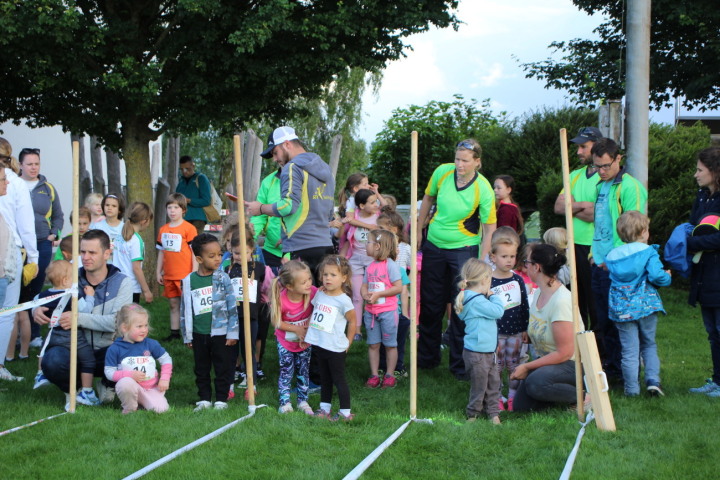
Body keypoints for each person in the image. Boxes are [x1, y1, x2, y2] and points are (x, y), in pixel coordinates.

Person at [417, 139, 497, 379]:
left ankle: (460, 366)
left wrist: (483, 259)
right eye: (457, 159)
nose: (459, 164)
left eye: (464, 160)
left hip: (464, 250)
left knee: (462, 305)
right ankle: (427, 359)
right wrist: (419, 230)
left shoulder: (483, 188)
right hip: (434, 246)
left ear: (477, 162)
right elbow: (428, 199)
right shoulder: (442, 172)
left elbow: (490, 226)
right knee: (431, 305)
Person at [34, 229, 133, 405]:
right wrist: (36, 309)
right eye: (83, 252)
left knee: (132, 356)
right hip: (72, 348)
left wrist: (78, 318)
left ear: (107, 254)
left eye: (92, 252)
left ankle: (107, 383)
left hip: (107, 351)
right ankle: (77, 389)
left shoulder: (122, 282)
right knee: (52, 361)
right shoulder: (69, 278)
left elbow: (119, 323)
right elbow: (47, 295)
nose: (86, 257)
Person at [589, 138, 648, 380]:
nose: (601, 171)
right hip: (600, 263)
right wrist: (594, 254)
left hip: (618, 266)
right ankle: (612, 369)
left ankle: (627, 372)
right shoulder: (600, 186)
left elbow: (633, 229)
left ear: (618, 160)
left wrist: (613, 259)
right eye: (597, 166)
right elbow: (600, 223)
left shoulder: (629, 187)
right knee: (602, 321)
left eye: (606, 166)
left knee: (619, 322)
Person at [245, 126, 335, 281]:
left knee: (298, 301)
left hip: (301, 248)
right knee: (320, 301)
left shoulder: (292, 167)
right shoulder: (326, 169)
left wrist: (259, 208)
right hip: (325, 245)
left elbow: (288, 206)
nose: (275, 159)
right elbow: (329, 214)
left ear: (287, 144)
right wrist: (287, 235)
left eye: (275, 152)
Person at [605, 211, 671, 397]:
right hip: (645, 306)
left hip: (622, 309)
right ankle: (652, 381)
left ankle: (631, 390)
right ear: (643, 232)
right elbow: (657, 276)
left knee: (629, 350)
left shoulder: (613, 256)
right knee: (648, 344)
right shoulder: (648, 252)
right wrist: (666, 277)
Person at [510, 244, 579, 411]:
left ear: (537, 267)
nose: (524, 266)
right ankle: (557, 397)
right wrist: (528, 332)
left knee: (536, 383)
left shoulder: (561, 301)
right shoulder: (540, 292)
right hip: (547, 364)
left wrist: (527, 367)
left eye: (527, 262)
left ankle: (584, 396)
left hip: (571, 365)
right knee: (521, 407)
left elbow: (565, 353)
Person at [180, 233, 238, 411]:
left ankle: (221, 399)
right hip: (199, 334)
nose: (218, 259)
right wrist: (187, 335)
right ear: (199, 258)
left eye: (220, 254)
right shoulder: (189, 281)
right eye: (211, 256)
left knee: (223, 367)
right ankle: (204, 399)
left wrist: (232, 332)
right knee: (201, 368)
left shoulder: (223, 278)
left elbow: (231, 306)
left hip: (221, 333)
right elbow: (185, 309)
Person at [31, 260, 100, 408]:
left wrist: (35, 309)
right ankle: (87, 390)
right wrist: (90, 296)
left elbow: (34, 302)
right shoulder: (74, 295)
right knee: (88, 359)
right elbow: (86, 310)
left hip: (53, 334)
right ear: (66, 280)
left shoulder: (44, 295)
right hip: (73, 335)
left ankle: (40, 374)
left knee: (43, 349)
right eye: (74, 277)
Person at [554, 127, 602, 330]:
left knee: (596, 303)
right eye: (578, 147)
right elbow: (558, 207)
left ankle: (599, 353)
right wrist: (584, 205)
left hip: (595, 247)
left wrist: (572, 206)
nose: (579, 152)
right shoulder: (574, 175)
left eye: (584, 147)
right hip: (573, 246)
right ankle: (579, 351)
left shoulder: (604, 176)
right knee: (576, 301)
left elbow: (598, 214)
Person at [16, 147, 64, 350]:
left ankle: (34, 333)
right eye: (29, 164)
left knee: (36, 287)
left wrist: (55, 233)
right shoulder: (13, 185)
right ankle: (14, 333)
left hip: (42, 243)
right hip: (17, 246)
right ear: (20, 165)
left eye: (36, 163)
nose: (33, 167)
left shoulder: (48, 188)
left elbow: (58, 216)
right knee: (17, 288)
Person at [0, 138, 38, 382]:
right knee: (6, 312)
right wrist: (33, 257)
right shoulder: (15, 181)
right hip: (8, 252)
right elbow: (25, 225)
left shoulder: (12, 181)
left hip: (9, 248)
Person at [305, 255, 356, 421]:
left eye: (333, 275)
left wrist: (348, 341)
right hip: (320, 344)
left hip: (335, 347)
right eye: (325, 274)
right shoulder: (320, 294)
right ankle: (324, 408)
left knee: (338, 379)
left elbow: (353, 321)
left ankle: (345, 412)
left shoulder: (344, 301)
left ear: (343, 278)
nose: (328, 278)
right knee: (324, 378)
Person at [687, 147, 720, 397]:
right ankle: (717, 380)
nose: (696, 174)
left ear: (714, 171)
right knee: (712, 332)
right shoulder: (702, 197)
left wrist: (692, 243)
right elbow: (692, 226)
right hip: (705, 275)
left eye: (700, 170)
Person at [456, 257, 505, 424]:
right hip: (478, 353)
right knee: (481, 385)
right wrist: (493, 296)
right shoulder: (477, 301)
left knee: (493, 383)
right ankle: (473, 414)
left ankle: (493, 413)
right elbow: (498, 311)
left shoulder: (470, 298)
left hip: (486, 351)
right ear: (484, 280)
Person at [105, 304, 173, 414]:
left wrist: (165, 378)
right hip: (130, 387)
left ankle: (144, 403)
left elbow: (166, 359)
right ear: (125, 328)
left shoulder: (151, 344)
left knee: (162, 411)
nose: (144, 330)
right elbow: (109, 372)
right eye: (139, 326)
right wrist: (129, 375)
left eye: (146, 325)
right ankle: (130, 408)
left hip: (151, 389)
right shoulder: (115, 349)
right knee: (125, 383)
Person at [489, 229, 529, 412]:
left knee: (514, 364)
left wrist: (524, 328)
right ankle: (496, 397)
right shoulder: (487, 280)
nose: (509, 260)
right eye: (504, 256)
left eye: (512, 256)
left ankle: (513, 397)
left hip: (515, 331)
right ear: (493, 257)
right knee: (495, 366)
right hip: (495, 332)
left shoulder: (518, 280)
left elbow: (524, 306)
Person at [225, 230, 270, 395]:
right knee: (230, 351)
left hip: (251, 317)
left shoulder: (259, 268)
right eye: (237, 253)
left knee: (248, 350)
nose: (240, 256)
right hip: (232, 318)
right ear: (231, 250)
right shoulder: (227, 269)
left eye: (245, 252)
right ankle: (229, 384)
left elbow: (265, 289)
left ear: (252, 250)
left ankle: (251, 384)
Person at [269, 260, 316, 414]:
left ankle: (303, 401)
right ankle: (285, 403)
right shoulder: (281, 299)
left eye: (309, 279)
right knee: (286, 371)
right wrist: (296, 329)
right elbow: (276, 321)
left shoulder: (313, 293)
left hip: (305, 342)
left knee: (303, 371)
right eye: (303, 282)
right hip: (285, 342)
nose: (309, 283)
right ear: (289, 286)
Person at [362, 229, 403, 389]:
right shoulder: (370, 266)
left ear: (378, 246)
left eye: (368, 242)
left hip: (387, 312)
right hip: (371, 313)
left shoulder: (391, 266)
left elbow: (398, 287)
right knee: (373, 344)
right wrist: (365, 293)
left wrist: (379, 294)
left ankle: (389, 375)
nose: (366, 245)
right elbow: (364, 285)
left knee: (390, 344)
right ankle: (374, 375)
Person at [339, 188, 381, 338]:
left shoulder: (379, 218)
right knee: (357, 296)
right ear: (362, 206)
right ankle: (356, 330)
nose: (376, 204)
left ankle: (374, 327)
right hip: (355, 261)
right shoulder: (354, 217)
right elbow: (346, 241)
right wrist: (342, 258)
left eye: (376, 201)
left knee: (373, 294)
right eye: (372, 202)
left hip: (374, 262)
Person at [156, 193, 198, 341]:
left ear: (183, 210)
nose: (172, 211)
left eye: (176, 207)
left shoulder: (189, 229)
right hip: (169, 274)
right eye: (169, 207)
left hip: (185, 274)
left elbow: (194, 252)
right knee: (173, 304)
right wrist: (158, 271)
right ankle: (174, 333)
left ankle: (191, 333)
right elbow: (162, 252)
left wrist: (193, 272)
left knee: (187, 305)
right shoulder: (163, 230)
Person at [114, 202, 153, 304]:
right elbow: (136, 268)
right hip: (130, 288)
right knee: (130, 319)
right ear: (144, 221)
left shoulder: (120, 235)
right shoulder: (136, 240)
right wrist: (146, 290)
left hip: (115, 284)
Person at [175, 155, 212, 236]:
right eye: (182, 169)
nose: (184, 171)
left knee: (194, 244)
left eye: (187, 169)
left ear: (193, 166)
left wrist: (189, 200)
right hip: (182, 219)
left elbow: (206, 201)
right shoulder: (181, 182)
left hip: (197, 219)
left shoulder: (201, 178)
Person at [90, 193, 125, 257]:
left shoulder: (124, 228)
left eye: (114, 206)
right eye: (107, 205)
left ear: (119, 210)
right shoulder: (97, 226)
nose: (109, 208)